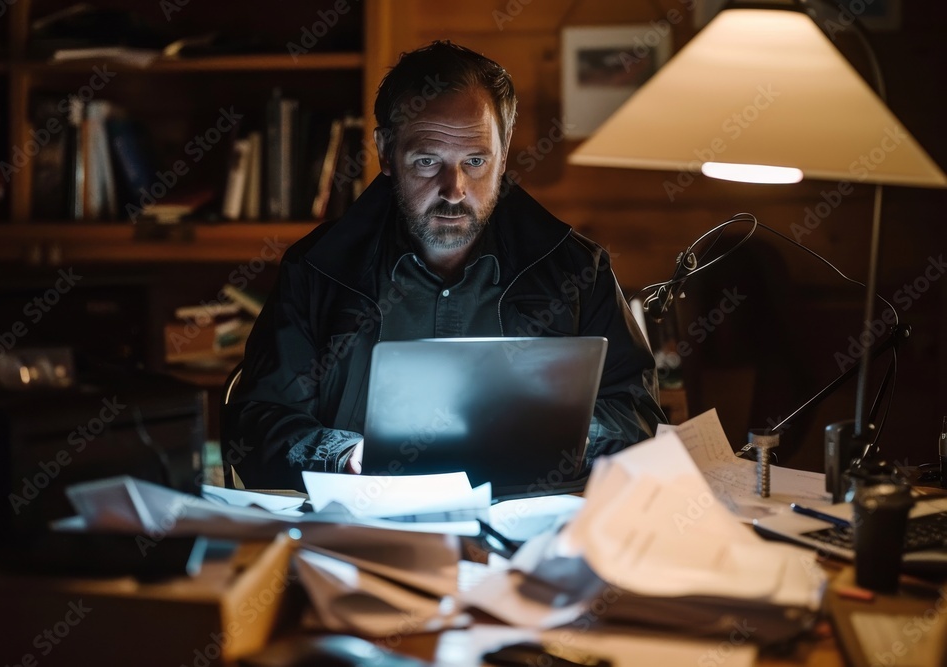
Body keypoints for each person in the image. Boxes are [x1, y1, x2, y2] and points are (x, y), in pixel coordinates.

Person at [229, 41, 664, 491]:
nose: (454, 190)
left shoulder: (575, 268)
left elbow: (639, 415)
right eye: (427, 161)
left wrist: (561, 433)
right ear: (386, 151)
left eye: (475, 161)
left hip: (528, 532)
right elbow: (255, 426)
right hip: (364, 530)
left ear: (505, 149)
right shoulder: (317, 269)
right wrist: (344, 455)